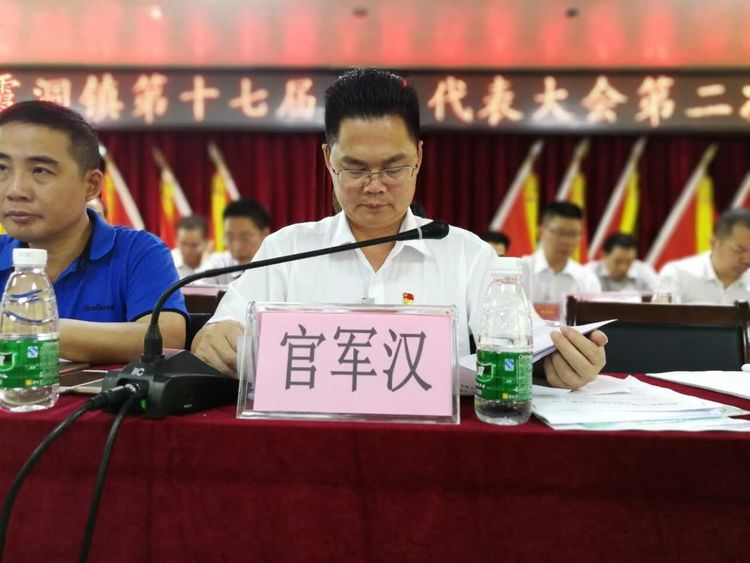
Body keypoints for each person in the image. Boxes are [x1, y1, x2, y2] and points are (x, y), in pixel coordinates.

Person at [192, 68, 606, 388]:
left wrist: (560, 362)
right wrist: (216, 337)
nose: (375, 186)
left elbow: (528, 347)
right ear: (328, 160)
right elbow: (218, 335)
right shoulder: (286, 250)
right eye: (355, 169)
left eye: (393, 168)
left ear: (419, 157)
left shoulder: (466, 254)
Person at [0, 100, 186, 363]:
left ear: (91, 185)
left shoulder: (137, 252)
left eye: (40, 170)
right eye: (2, 169)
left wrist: (31, 328)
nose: (15, 190)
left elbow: (166, 337)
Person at [521, 202, 601, 318]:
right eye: (560, 232)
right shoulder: (519, 272)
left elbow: (593, 321)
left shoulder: (588, 279)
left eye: (573, 234)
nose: (566, 241)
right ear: (541, 232)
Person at [656, 209, 750, 304]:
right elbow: (661, 310)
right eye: (739, 250)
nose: (747, 260)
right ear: (714, 243)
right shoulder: (676, 274)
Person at [198, 199, 270, 285]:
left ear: (265, 234)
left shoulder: (279, 266)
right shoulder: (218, 264)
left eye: (245, 238)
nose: (237, 247)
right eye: (230, 238)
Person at [585, 233, 658, 293]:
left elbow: (660, 296)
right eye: (618, 261)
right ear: (604, 255)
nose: (623, 267)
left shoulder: (643, 270)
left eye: (629, 261)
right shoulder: (589, 272)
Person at [172, 214, 210, 278]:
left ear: (206, 243)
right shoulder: (169, 263)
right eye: (183, 244)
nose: (187, 250)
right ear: (176, 241)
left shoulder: (217, 263)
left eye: (194, 245)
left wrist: (206, 264)